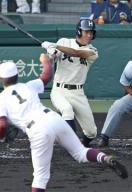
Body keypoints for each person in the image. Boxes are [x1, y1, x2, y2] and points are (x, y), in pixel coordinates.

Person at [0, 54, 128, 192]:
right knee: (81, 152)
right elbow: (46, 76)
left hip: (37, 130)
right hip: (54, 118)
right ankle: (104, 158)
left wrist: (1, 136)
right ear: (17, 75)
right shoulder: (28, 86)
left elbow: (2, 124)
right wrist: (46, 61)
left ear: (0, 79)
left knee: (40, 176)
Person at [41, 18, 98, 147]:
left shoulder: (93, 51)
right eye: (86, 32)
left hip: (78, 93)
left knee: (91, 132)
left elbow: (76, 53)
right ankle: (72, 145)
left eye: (91, 33)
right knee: (67, 110)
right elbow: (51, 59)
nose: (89, 35)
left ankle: (80, 144)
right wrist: (51, 53)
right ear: (79, 31)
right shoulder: (64, 41)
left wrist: (55, 46)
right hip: (59, 90)